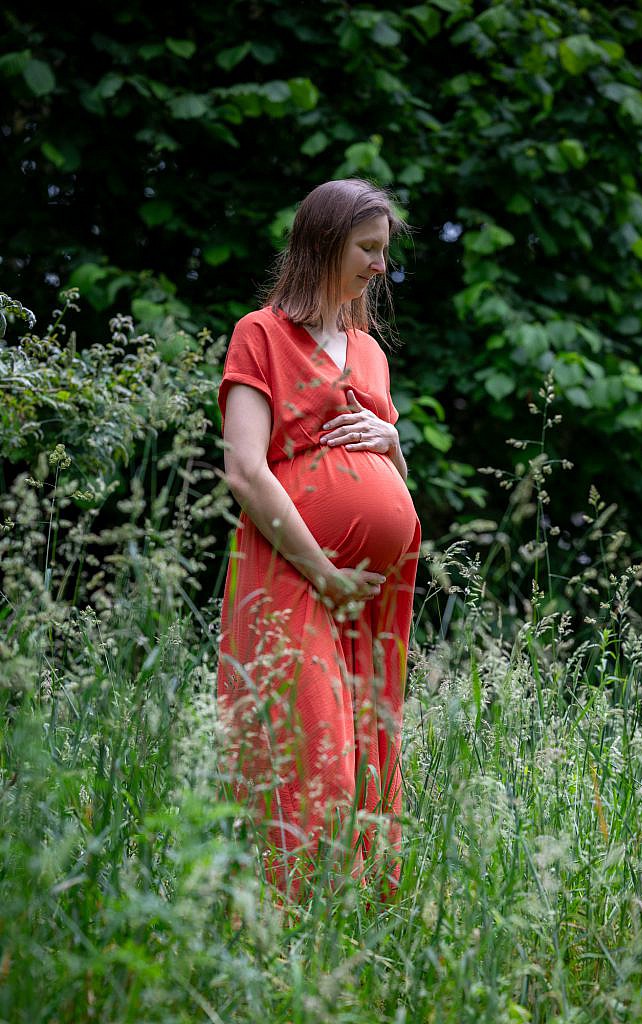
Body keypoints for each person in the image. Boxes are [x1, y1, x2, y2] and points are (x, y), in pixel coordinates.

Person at [216, 178, 421, 901]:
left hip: (369, 594)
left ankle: (360, 926)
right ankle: (284, 932)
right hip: (295, 575)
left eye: (382, 252)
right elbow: (244, 468)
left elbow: (390, 476)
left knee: (370, 756)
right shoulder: (260, 334)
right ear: (324, 243)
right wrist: (323, 570)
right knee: (312, 757)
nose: (378, 266)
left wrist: (391, 441)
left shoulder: (368, 353)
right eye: (367, 249)